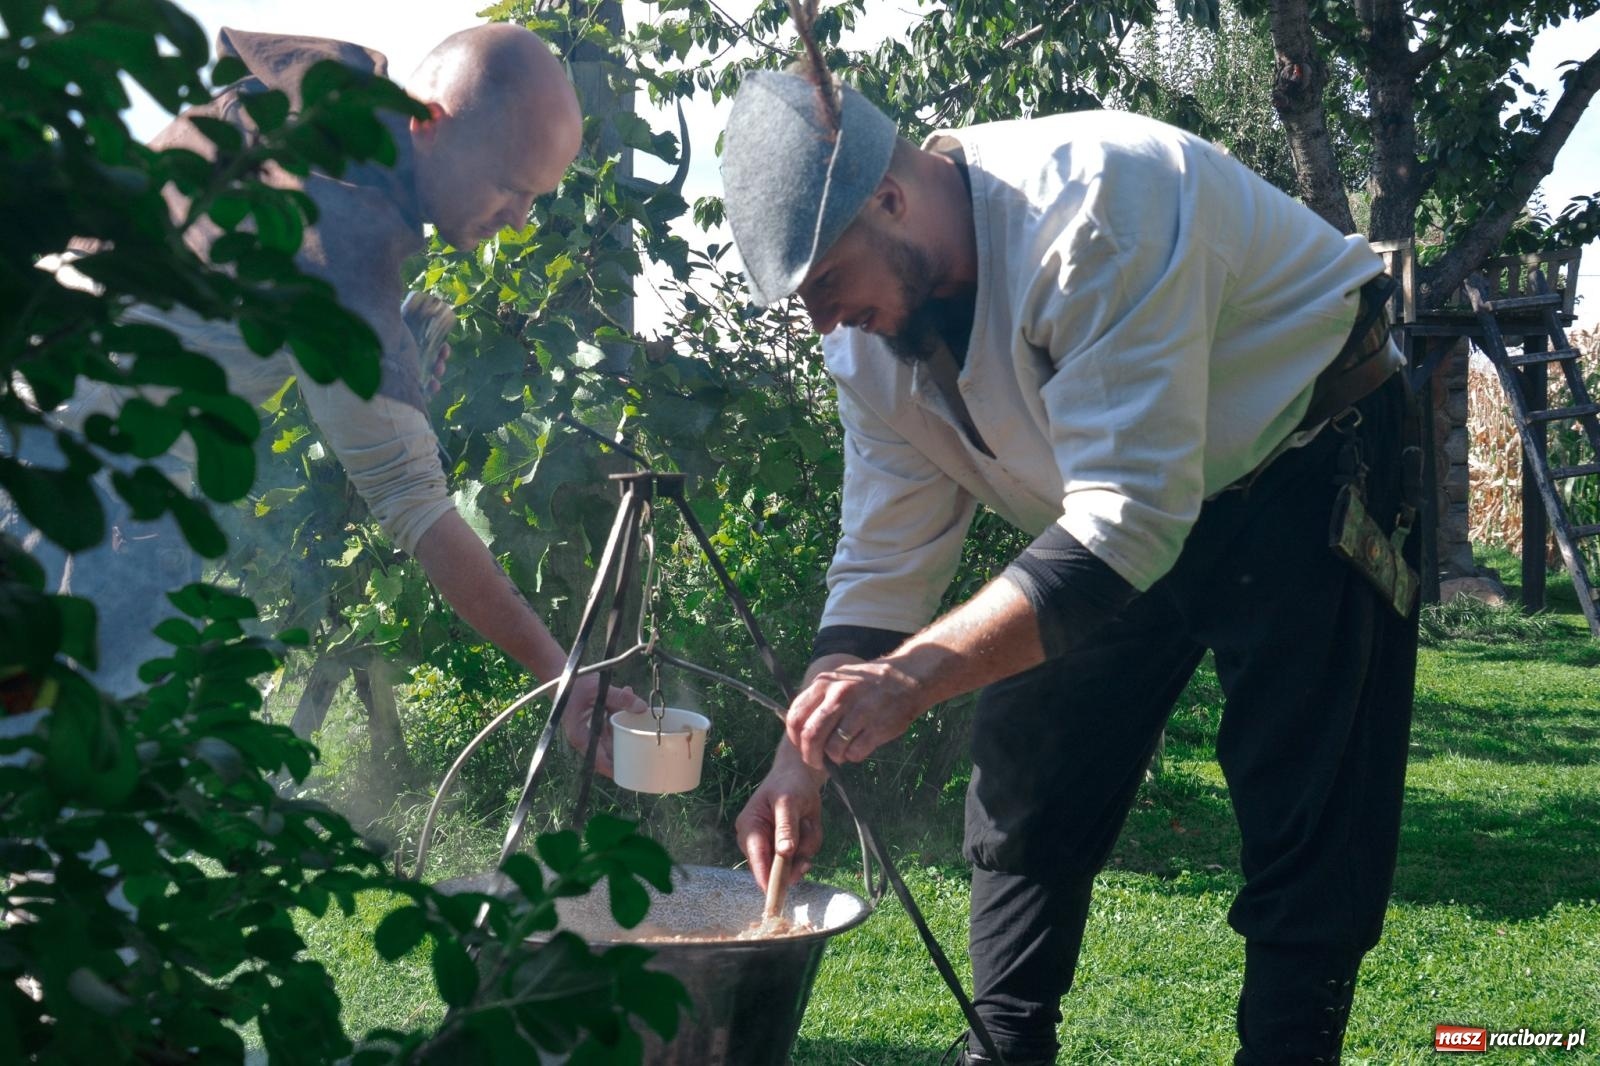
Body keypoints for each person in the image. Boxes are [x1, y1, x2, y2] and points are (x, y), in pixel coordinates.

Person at [722, 68, 1420, 1066]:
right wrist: (802, 751)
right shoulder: (870, 347)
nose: (824, 321)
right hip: (1114, 508)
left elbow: (1125, 523)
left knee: (1302, 795)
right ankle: (1002, 1049)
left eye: (825, 283)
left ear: (887, 197)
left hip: (1307, 451)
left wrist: (913, 677)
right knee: (1028, 748)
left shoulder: (1096, 202)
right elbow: (882, 562)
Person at [11, 24, 645, 749]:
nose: (520, 219)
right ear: (429, 123)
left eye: (537, 197)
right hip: (80, 498)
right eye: (508, 184)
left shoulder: (329, 98)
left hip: (30, 422)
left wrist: (388, 358)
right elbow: (412, 501)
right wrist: (562, 677)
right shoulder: (339, 248)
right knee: (82, 790)